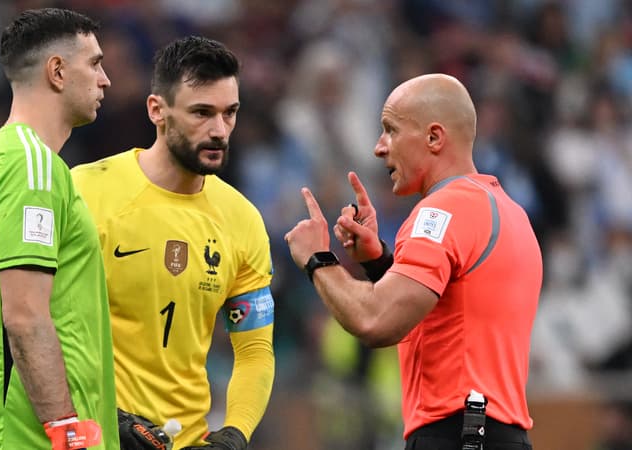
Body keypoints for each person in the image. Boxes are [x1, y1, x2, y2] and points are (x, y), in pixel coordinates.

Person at [284, 73, 541, 450]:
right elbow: (439, 315)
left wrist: (316, 257)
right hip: (499, 434)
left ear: (434, 138)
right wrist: (378, 261)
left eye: (390, 130)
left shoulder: (441, 210)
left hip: (456, 435)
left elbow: (376, 321)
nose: (378, 147)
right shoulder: (511, 212)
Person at [72, 36, 275, 450]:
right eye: (202, 113)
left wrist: (235, 432)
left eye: (229, 113)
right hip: (95, 439)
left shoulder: (242, 220)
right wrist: (97, 419)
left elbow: (254, 350)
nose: (219, 131)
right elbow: (37, 323)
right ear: (157, 111)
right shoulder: (85, 193)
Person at [0, 8, 119, 449]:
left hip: (6, 432)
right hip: (34, 439)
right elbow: (25, 316)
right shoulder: (32, 166)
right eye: (95, 64)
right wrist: (67, 431)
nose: (105, 81)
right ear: (57, 72)